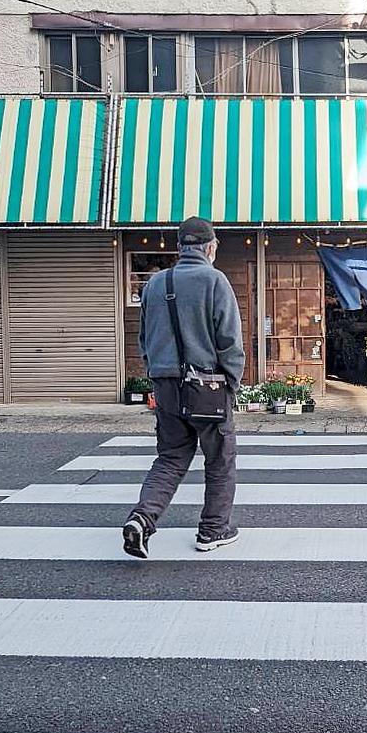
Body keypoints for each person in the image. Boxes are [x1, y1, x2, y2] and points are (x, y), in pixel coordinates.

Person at [122, 216, 246, 558]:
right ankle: (213, 530)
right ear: (211, 247)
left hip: (165, 386)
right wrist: (231, 385)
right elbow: (230, 342)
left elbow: (144, 339)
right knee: (220, 459)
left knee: (171, 457)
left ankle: (142, 518)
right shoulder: (215, 281)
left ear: (179, 247)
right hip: (207, 386)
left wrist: (157, 375)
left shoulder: (154, 284)